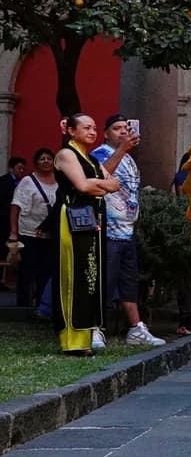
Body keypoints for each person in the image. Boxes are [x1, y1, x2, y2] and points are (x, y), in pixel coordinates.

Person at [91, 114, 165, 347]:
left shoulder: (130, 160)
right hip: (108, 230)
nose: (123, 132)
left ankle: (135, 328)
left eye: (126, 128)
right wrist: (122, 150)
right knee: (105, 281)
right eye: (116, 128)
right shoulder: (99, 154)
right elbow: (99, 177)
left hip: (127, 230)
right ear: (106, 133)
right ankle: (94, 328)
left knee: (129, 281)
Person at [53, 114, 120, 355]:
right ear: (71, 130)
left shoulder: (89, 157)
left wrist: (98, 183)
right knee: (75, 274)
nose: (92, 131)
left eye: (94, 128)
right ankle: (71, 339)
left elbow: (113, 182)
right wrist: (101, 184)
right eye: (86, 127)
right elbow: (83, 186)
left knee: (91, 275)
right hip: (72, 216)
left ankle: (84, 336)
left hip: (91, 218)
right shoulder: (66, 154)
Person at [9, 149, 58, 310]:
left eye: (49, 158)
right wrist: (14, 232)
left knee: (46, 272)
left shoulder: (60, 181)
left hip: (51, 234)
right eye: (42, 159)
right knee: (28, 272)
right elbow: (16, 206)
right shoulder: (27, 182)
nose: (46, 161)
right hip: (29, 232)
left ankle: (41, 307)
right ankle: (22, 307)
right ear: (36, 162)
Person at [0, 155, 26, 287]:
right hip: (4, 220)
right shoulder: (4, 181)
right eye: (19, 168)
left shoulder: (22, 183)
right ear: (11, 169)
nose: (21, 171)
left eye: (23, 169)